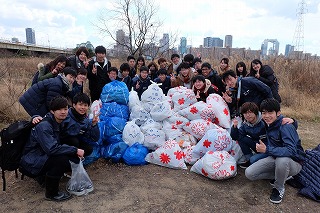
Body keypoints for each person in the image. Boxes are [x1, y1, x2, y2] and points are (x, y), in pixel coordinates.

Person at [20, 96, 84, 202]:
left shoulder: (57, 121)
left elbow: (73, 131)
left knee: (72, 152)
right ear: (52, 111)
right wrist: (75, 150)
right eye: (59, 109)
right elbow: (52, 149)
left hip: (41, 155)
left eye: (65, 109)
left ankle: (45, 177)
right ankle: (51, 193)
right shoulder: (44, 125)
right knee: (61, 160)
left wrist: (92, 125)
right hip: (31, 161)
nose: (63, 112)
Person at [245, 98, 305, 204]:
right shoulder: (267, 124)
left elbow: (291, 151)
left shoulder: (285, 127)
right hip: (275, 157)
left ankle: (279, 188)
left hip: (293, 161)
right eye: (264, 113)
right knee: (249, 173)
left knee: (282, 160)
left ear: (278, 113)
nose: (266, 116)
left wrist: (267, 149)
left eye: (270, 112)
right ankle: (282, 176)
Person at [230, 102, 296, 168]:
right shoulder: (245, 124)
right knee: (241, 138)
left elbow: (280, 123)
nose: (248, 115)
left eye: (250, 112)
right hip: (258, 145)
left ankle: (253, 161)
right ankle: (248, 159)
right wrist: (234, 127)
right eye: (245, 113)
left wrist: (293, 121)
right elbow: (236, 137)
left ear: (255, 112)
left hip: (269, 148)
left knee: (254, 160)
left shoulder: (265, 121)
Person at [60, 93, 100, 157]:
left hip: (75, 144)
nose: (83, 107)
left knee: (89, 149)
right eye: (80, 105)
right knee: (74, 141)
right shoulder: (66, 115)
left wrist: (94, 124)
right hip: (62, 142)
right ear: (74, 105)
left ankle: (75, 159)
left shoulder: (85, 120)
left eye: (85, 105)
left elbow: (94, 138)